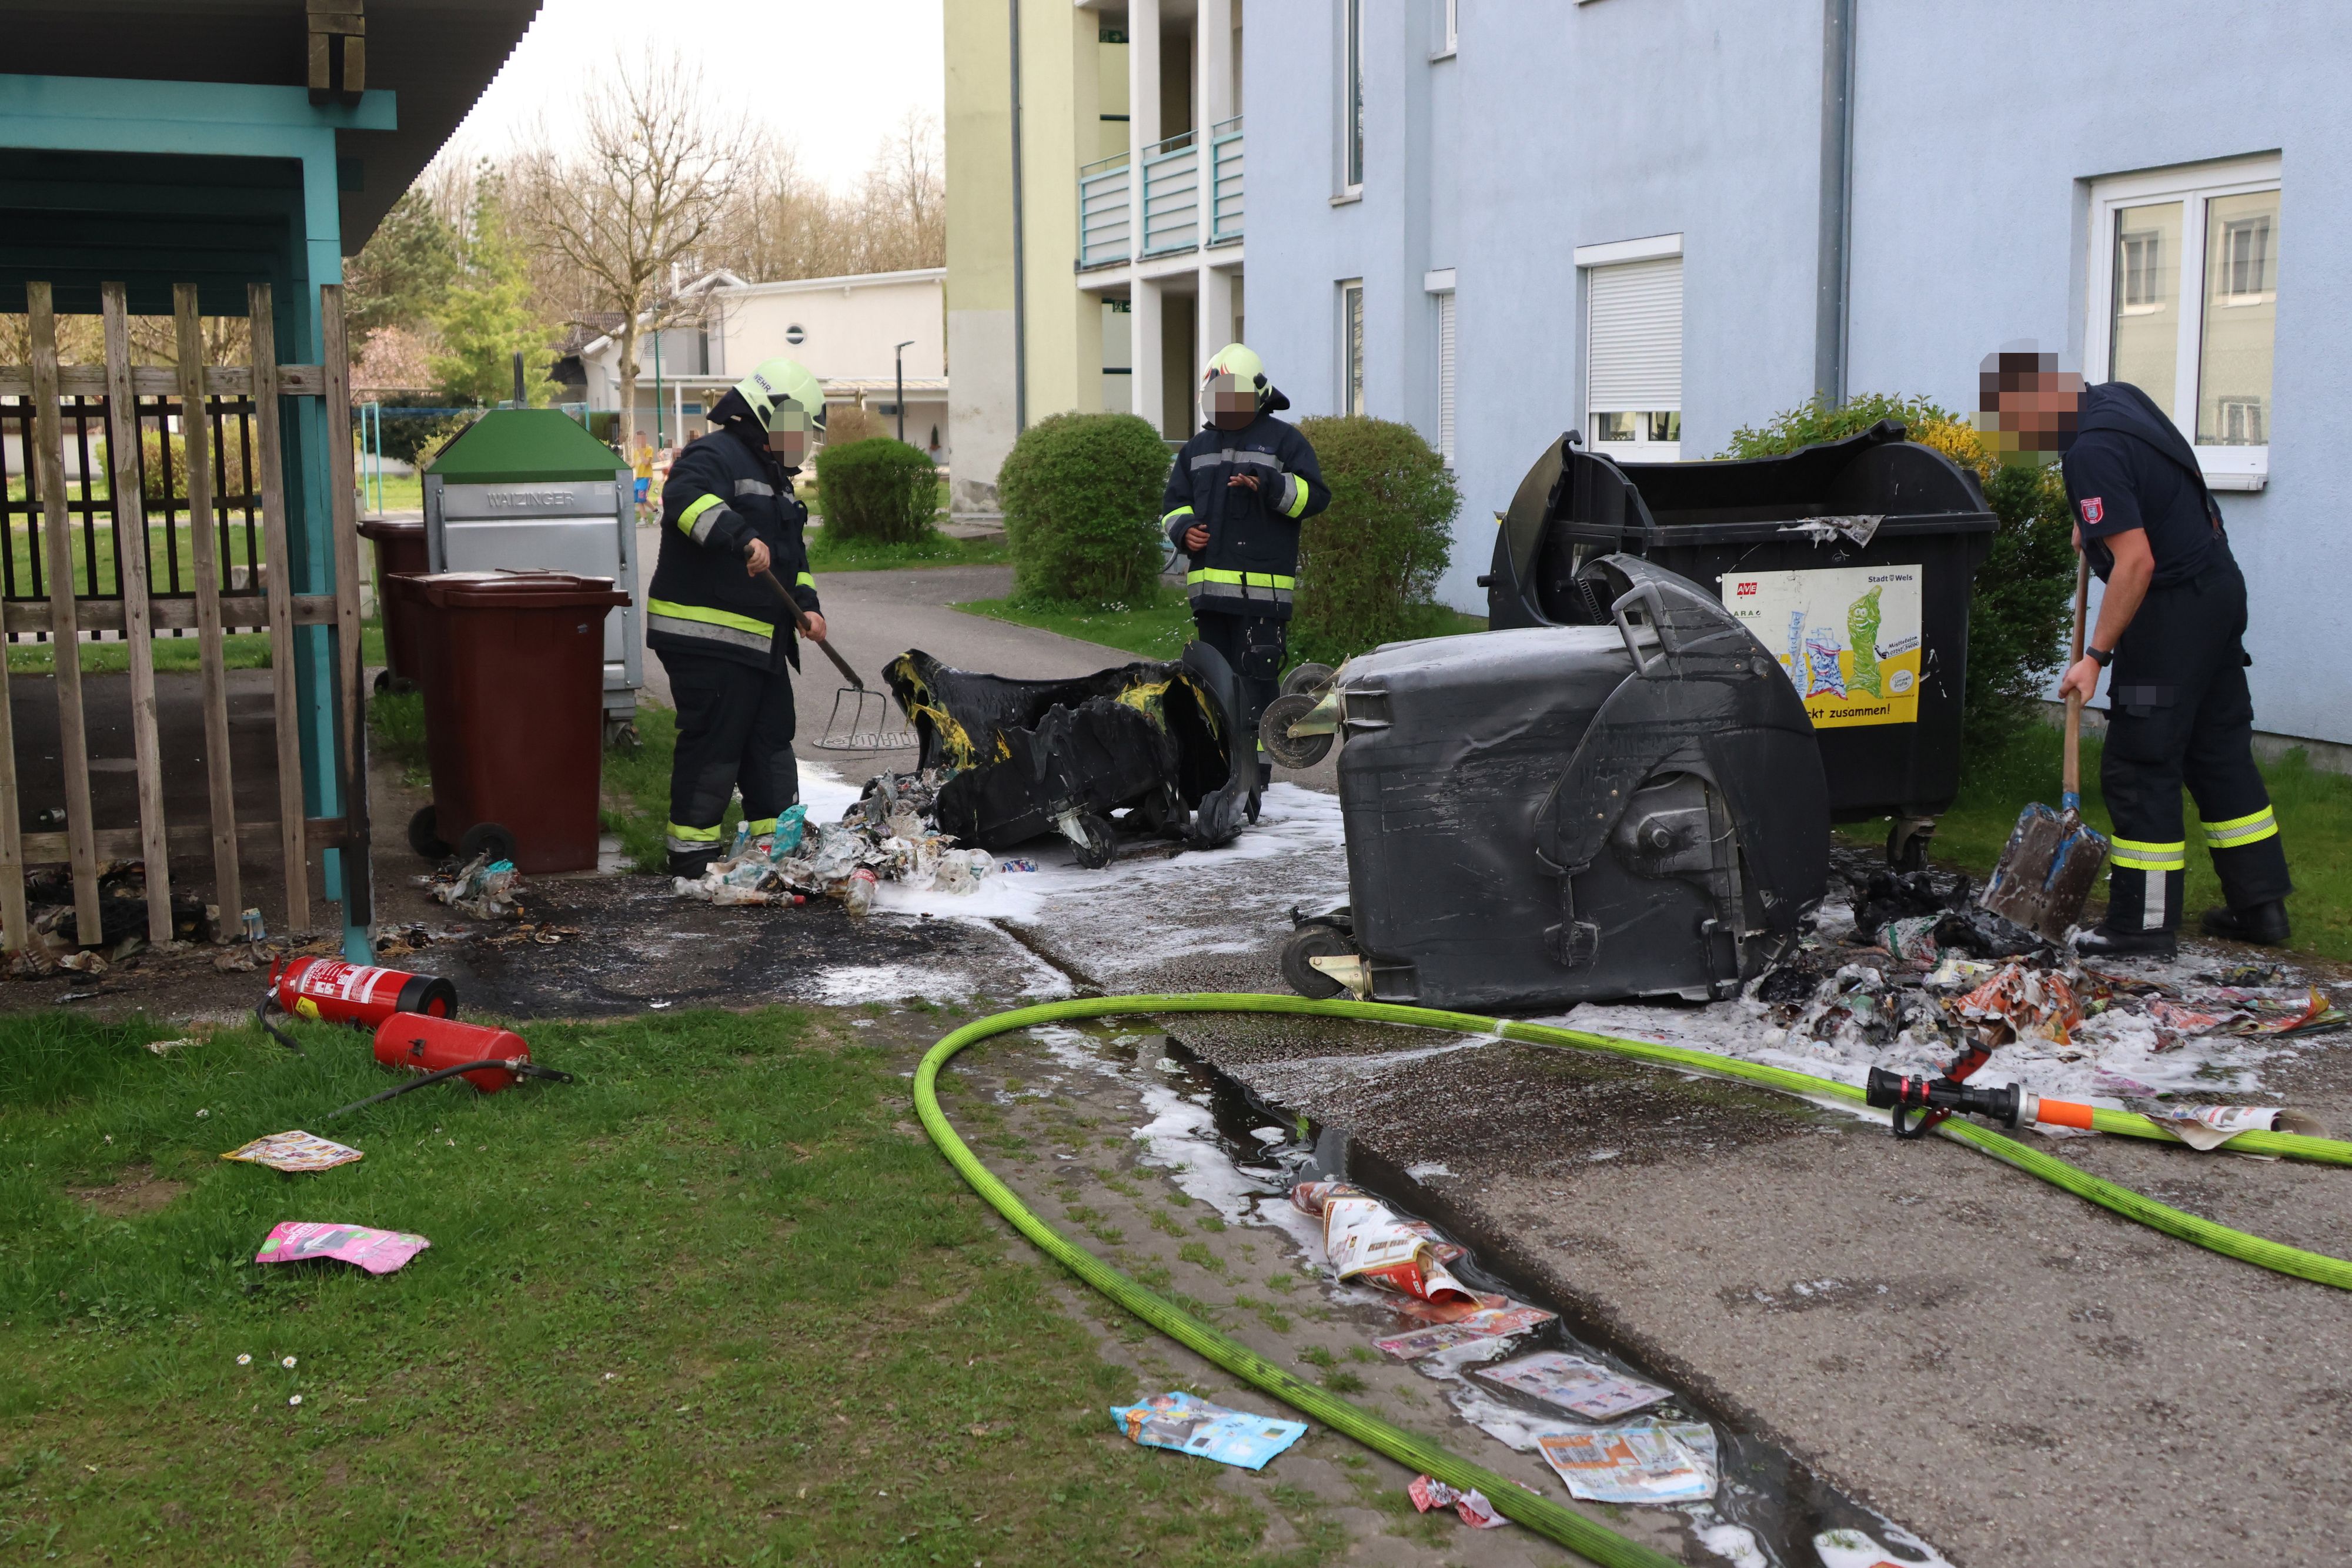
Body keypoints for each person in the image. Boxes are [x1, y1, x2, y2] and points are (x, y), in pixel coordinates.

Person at [1985, 355, 2293, 955]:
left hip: (2169, 620)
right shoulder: (2118, 400)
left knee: (2140, 763)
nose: (2022, 441)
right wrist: (2095, 521)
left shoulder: (2089, 452)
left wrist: (2094, 656)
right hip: (2217, 592)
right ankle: (2261, 910)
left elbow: (2137, 563)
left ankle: (2142, 926)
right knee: (2217, 751)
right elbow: (2160, 483)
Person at [646, 357, 828, 878]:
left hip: (759, 644)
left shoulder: (777, 480)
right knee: (716, 745)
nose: (804, 443)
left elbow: (794, 558)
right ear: (771, 415)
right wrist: (738, 535)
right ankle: (692, 858)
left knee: (770, 740)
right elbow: (681, 498)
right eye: (801, 430)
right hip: (708, 640)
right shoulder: (715, 454)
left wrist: (809, 607)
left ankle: (775, 851)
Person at [1161, 344, 1331, 768]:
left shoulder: (1284, 441)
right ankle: (1220, 764)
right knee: (1213, 683)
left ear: (1259, 393)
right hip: (1210, 599)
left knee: (1257, 680)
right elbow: (1173, 505)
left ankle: (1258, 773)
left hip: (1263, 599)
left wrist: (1271, 486)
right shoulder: (1196, 449)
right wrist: (1184, 531)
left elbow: (1315, 497)